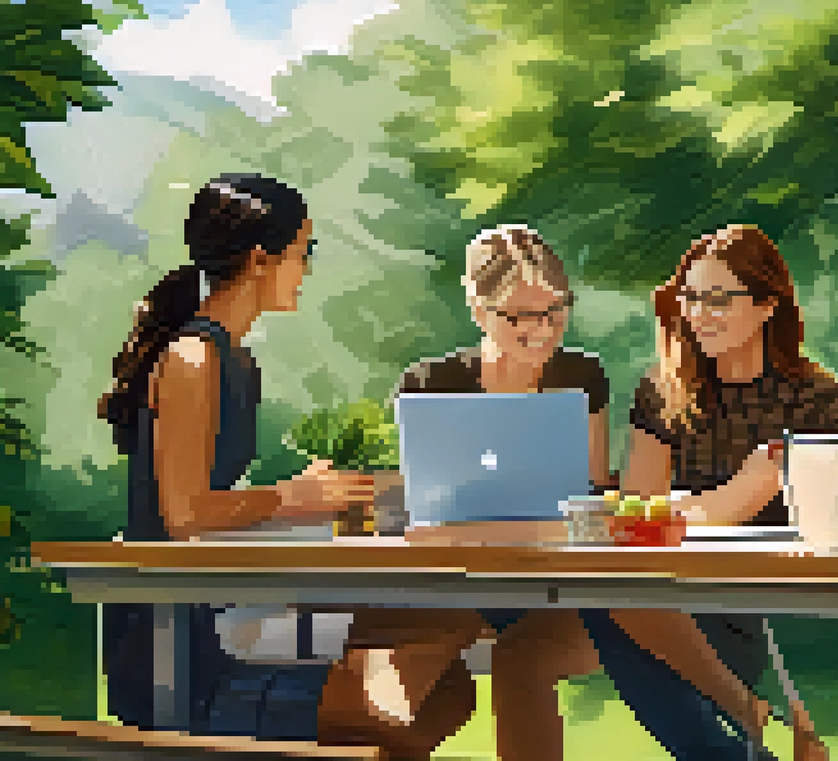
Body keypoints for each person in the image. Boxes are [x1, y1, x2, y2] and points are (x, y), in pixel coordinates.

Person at [491, 224, 838, 761]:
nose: (700, 313)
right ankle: (745, 717)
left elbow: (802, 512)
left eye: (719, 299)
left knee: (615, 595)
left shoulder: (812, 397)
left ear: (768, 305)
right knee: (577, 616)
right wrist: (719, 502)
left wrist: (691, 509)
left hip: (772, 597)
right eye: (691, 297)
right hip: (673, 592)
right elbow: (639, 517)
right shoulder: (664, 390)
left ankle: (736, 736)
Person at [315, 225, 614, 759]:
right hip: (449, 581)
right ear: (479, 310)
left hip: (549, 580)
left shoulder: (582, 377)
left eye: (554, 310)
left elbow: (589, 496)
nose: (542, 329)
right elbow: (415, 505)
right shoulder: (429, 385)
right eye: (520, 315)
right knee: (374, 707)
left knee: (510, 665)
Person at [98, 174, 375, 737]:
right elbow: (186, 514)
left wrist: (311, 501)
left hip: (218, 615)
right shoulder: (193, 360)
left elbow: (215, 510)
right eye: (305, 252)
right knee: (404, 693)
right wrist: (292, 499)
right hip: (177, 648)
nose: (308, 270)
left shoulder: (236, 361)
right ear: (259, 260)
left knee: (434, 664)